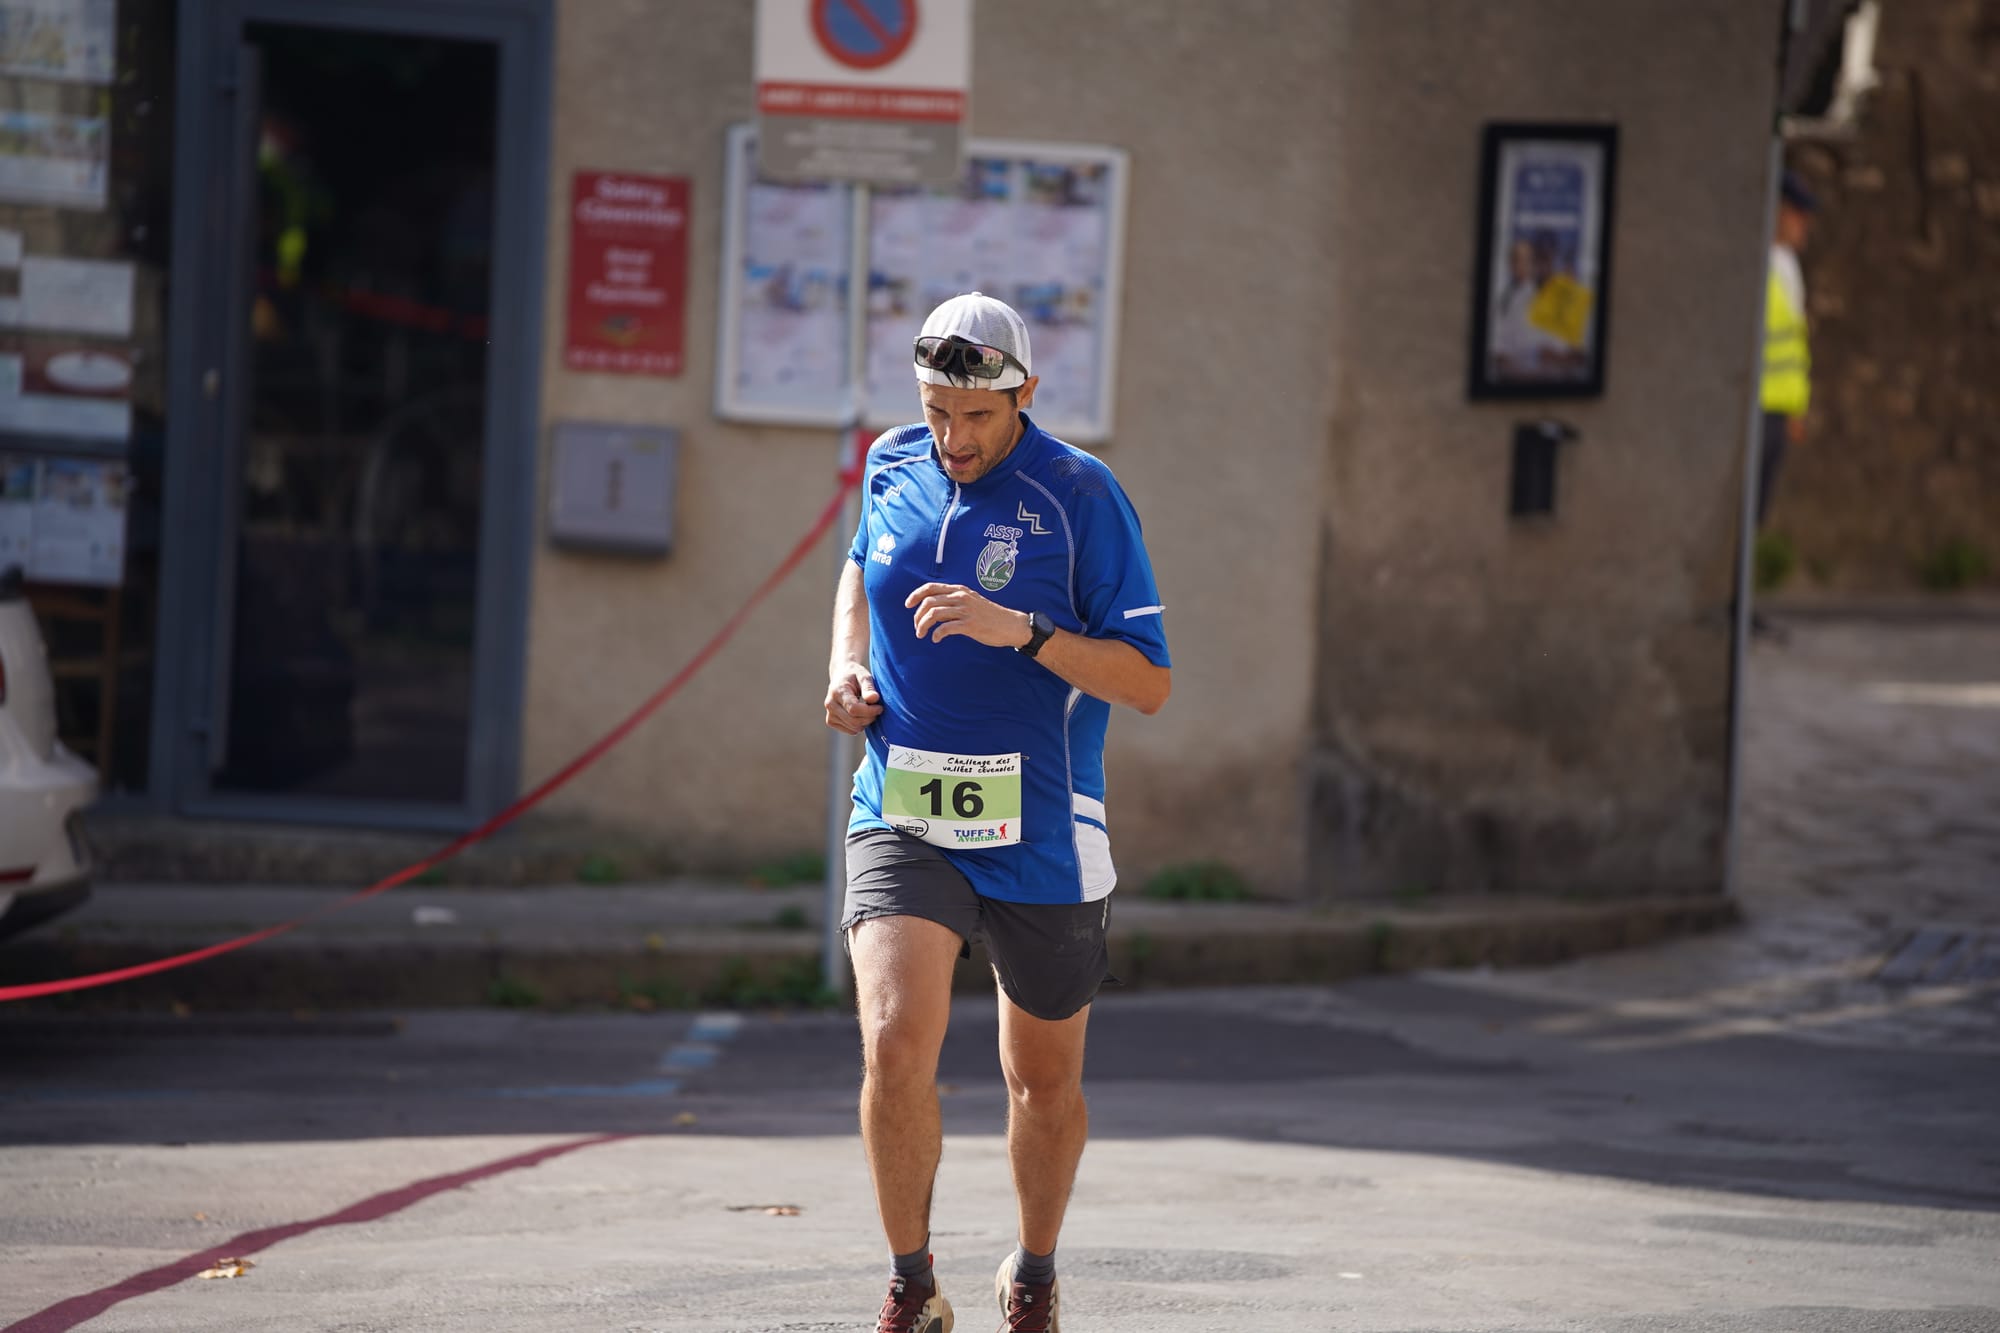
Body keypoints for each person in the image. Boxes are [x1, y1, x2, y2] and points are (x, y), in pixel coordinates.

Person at [824, 292, 1171, 1333]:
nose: (950, 437)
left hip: (1043, 828)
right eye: (934, 410)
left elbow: (1146, 681)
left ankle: (1029, 1271)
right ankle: (909, 1280)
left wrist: (1017, 630)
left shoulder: (1080, 496)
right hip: (903, 806)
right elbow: (857, 568)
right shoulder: (892, 462)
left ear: (1022, 394)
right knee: (892, 1044)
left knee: (1042, 1086)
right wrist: (846, 662)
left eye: (973, 416)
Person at [1759, 171, 1817, 529]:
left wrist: (1795, 410)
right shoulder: (1757, 264)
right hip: (1755, 407)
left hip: (1778, 409)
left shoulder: (1787, 266)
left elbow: (1792, 348)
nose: (1804, 224)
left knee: (1757, 512)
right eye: (1797, 212)